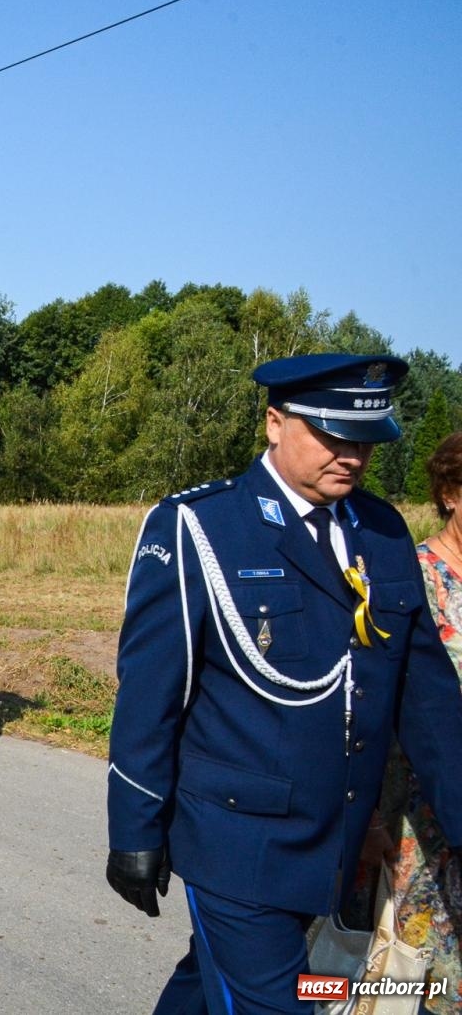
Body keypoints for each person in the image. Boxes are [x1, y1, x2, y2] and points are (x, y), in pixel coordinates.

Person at [106, 353, 462, 1014]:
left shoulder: (381, 533)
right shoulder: (202, 527)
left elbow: (431, 704)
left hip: (334, 844)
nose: (351, 456)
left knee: (205, 989)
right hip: (237, 847)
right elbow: (150, 695)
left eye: (363, 440)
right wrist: (135, 827)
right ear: (275, 423)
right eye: (332, 435)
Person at [349, 430, 462, 1014]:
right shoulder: (410, 578)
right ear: (449, 493)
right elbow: (365, 704)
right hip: (416, 826)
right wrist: (363, 819)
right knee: (405, 979)